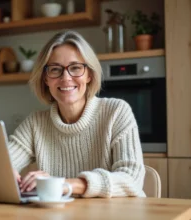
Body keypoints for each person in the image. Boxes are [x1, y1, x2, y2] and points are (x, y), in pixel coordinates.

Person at [8, 30, 145, 198]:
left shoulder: (116, 112)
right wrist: (4, 173)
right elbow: (1, 164)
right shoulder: (35, 123)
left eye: (75, 68)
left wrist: (66, 184)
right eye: (55, 69)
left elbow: (132, 179)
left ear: (89, 74)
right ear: (45, 78)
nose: (65, 77)